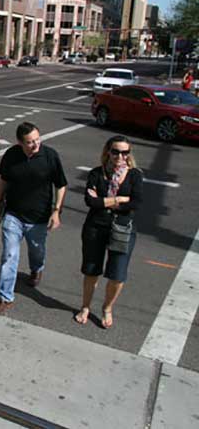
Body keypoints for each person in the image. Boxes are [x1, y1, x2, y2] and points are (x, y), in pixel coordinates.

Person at [0, 122, 68, 315]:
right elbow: (4, 180)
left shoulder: (50, 156)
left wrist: (56, 211)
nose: (35, 144)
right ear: (20, 143)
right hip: (13, 214)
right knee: (9, 255)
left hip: (39, 218)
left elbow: (61, 185)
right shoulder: (12, 155)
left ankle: (36, 269)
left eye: (37, 139)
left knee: (37, 251)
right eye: (29, 142)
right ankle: (5, 298)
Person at [74, 136, 143, 329]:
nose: (120, 156)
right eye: (115, 152)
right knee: (91, 270)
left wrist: (104, 201)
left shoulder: (135, 175)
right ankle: (85, 306)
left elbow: (136, 203)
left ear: (129, 154)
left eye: (124, 152)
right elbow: (90, 201)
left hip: (123, 228)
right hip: (96, 227)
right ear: (108, 152)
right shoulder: (96, 173)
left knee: (117, 274)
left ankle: (107, 308)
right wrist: (120, 199)